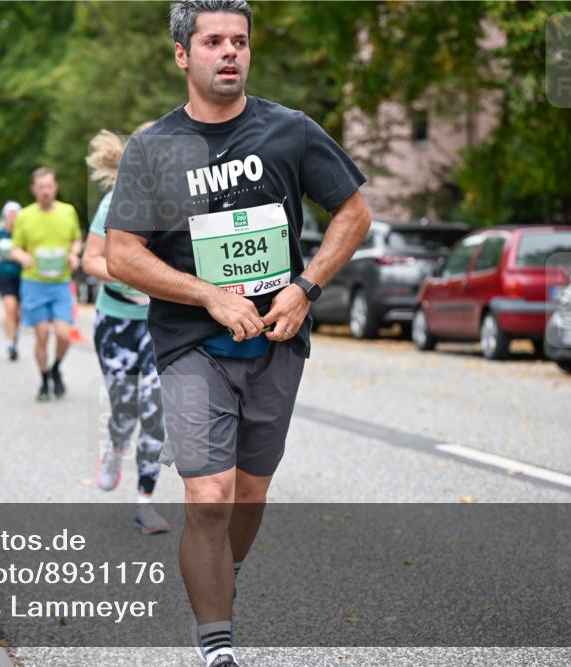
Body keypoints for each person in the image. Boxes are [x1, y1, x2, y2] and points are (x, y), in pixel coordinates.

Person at [104, 2, 371, 665]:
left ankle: (223, 574)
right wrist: (209, 296)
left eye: (240, 41)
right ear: (182, 55)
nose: (230, 52)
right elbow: (122, 253)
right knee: (209, 494)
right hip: (192, 342)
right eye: (214, 41)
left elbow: (354, 212)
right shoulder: (152, 148)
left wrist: (305, 287)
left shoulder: (291, 132)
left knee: (249, 493)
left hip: (277, 339)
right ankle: (216, 643)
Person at [82, 125, 172, 534]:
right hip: (116, 322)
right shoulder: (115, 202)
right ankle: (116, 446)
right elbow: (90, 260)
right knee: (125, 409)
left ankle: (146, 503)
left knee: (155, 413)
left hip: (159, 324)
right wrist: (129, 273)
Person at [10, 168, 82, 401]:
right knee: (41, 335)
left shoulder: (68, 211)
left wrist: (74, 254)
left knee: (64, 334)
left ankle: (56, 368)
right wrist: (20, 256)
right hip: (34, 283)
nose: (46, 191)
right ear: (34, 190)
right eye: (41, 187)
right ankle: (43, 380)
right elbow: (15, 247)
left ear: (55, 187)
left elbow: (77, 240)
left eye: (49, 186)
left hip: (60, 283)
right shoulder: (25, 216)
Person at [0, 201, 23, 360]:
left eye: (15, 213)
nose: (13, 217)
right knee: (10, 308)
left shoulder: (23, 233)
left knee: (18, 313)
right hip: (5, 275)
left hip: (23, 276)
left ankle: (14, 334)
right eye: (10, 214)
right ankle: (9, 343)